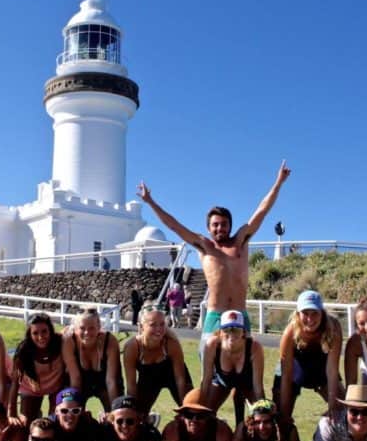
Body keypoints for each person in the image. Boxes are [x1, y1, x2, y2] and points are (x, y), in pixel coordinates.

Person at [137, 160, 291, 360]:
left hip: (239, 314)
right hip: (215, 316)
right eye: (215, 225)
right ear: (209, 228)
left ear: (230, 225)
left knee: (243, 367)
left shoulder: (241, 241)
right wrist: (150, 202)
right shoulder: (204, 246)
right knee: (209, 366)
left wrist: (278, 183)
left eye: (224, 224)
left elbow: (261, 211)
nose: (220, 228)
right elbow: (174, 225)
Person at [275, 290, 344, 419]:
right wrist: (284, 416)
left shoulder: (333, 328)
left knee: (343, 409)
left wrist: (333, 406)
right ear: (297, 314)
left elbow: (333, 369)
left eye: (314, 313)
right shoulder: (289, 333)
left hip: (321, 366)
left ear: (322, 313)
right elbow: (286, 374)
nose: (310, 319)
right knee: (280, 415)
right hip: (294, 368)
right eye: (305, 313)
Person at [199, 310, 265, 427]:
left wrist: (263, 413)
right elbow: (206, 380)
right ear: (220, 332)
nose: (231, 334)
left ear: (244, 332)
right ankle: (220, 428)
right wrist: (200, 407)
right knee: (204, 416)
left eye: (236, 329)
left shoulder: (255, 347)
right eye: (227, 329)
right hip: (221, 383)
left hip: (248, 385)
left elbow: (258, 387)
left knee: (261, 418)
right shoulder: (212, 345)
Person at [122, 308, 192, 415]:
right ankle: (150, 420)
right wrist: (133, 411)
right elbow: (131, 385)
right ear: (141, 327)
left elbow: (180, 379)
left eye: (162, 324)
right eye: (153, 325)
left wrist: (186, 408)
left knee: (191, 408)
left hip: (173, 375)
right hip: (149, 378)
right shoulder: (132, 347)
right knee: (139, 414)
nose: (158, 329)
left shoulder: (171, 344)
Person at [62, 308, 123, 413]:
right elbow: (75, 379)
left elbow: (111, 381)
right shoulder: (68, 341)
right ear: (75, 328)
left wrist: (115, 413)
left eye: (91, 328)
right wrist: (75, 412)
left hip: (104, 382)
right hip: (79, 381)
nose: (87, 332)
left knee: (116, 411)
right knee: (71, 410)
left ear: (99, 327)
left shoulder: (110, 341)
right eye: (82, 328)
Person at [9, 313, 68, 422]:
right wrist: (11, 412)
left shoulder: (61, 343)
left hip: (56, 387)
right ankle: (36, 414)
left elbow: (73, 331)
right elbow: (15, 381)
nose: (41, 337)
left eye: (44, 331)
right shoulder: (24, 350)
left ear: (50, 330)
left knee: (55, 420)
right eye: (35, 333)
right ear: (29, 335)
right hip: (32, 388)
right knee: (27, 422)